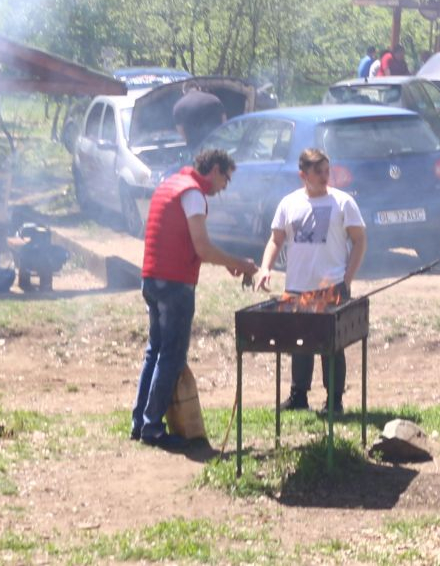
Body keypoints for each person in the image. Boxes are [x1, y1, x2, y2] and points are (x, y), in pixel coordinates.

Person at [133, 147, 258, 449]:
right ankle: (152, 428)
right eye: (226, 179)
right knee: (172, 355)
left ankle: (140, 423)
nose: (225, 186)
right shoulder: (193, 195)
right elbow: (202, 247)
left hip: (152, 278)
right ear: (214, 169)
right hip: (175, 284)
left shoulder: (170, 185)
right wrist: (239, 263)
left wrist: (227, 261)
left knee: (156, 351)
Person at [258, 149, 367, 414]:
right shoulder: (289, 203)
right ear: (303, 175)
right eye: (318, 172)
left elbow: (360, 240)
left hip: (330, 286)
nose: (324, 177)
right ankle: (298, 396)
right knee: (299, 342)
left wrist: (347, 278)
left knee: (331, 344)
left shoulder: (342, 203)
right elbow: (276, 239)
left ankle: (334, 401)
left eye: (327, 171)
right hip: (297, 285)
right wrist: (265, 268)